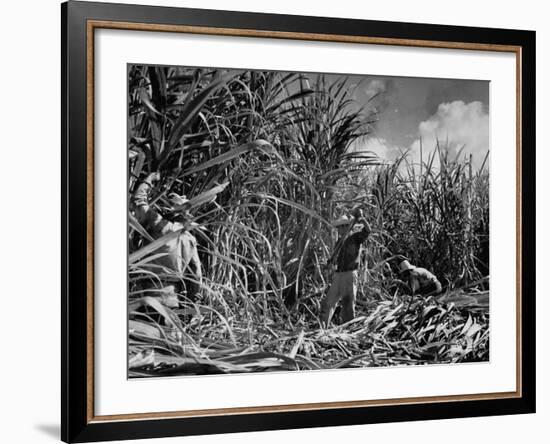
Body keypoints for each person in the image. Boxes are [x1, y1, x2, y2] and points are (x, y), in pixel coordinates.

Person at [132, 172, 202, 303]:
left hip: (150, 296)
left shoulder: (160, 225)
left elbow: (138, 201)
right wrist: (192, 300)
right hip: (172, 299)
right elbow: (196, 274)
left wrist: (149, 178)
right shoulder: (189, 238)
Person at [320, 209, 371, 327]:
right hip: (339, 274)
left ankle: (348, 329)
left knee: (348, 303)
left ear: (348, 226)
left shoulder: (355, 238)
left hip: (349, 273)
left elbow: (368, 231)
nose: (341, 229)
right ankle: (323, 327)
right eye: (340, 227)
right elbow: (335, 257)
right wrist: (329, 263)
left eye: (344, 226)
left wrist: (362, 219)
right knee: (329, 302)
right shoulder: (339, 242)